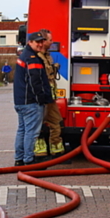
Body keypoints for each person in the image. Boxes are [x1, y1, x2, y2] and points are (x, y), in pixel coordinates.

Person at [13, 32, 53, 166]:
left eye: (42, 41)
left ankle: (19, 159)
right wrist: (41, 98)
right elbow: (35, 82)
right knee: (31, 132)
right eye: (38, 42)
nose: (41, 44)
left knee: (22, 130)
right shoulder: (32, 59)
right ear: (30, 42)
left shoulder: (24, 56)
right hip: (31, 102)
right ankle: (29, 160)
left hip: (20, 101)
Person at [33, 29, 65, 161]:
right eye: (50, 40)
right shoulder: (38, 57)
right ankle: (39, 153)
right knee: (39, 124)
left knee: (56, 121)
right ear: (43, 41)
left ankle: (57, 151)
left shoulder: (47, 56)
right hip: (42, 97)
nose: (52, 43)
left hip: (50, 97)